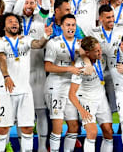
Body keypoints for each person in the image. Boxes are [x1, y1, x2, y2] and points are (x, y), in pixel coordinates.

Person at [0, 13, 51, 152]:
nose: (14, 23)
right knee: (2, 128)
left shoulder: (25, 40)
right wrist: (6, 76)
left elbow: (38, 44)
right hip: (6, 91)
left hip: (25, 91)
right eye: (10, 21)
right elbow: (1, 58)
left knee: (28, 128)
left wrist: (46, 36)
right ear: (4, 26)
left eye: (16, 22)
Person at [13, 0, 51, 152]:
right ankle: (23, 147)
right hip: (19, 75)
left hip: (38, 73)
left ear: (36, 5)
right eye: (26, 3)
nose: (28, 6)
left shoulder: (40, 21)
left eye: (32, 3)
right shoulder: (14, 23)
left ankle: (42, 147)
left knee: (41, 111)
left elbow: (47, 7)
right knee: (21, 114)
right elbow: (15, 11)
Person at [44, 14, 84, 152]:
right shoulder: (53, 43)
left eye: (73, 25)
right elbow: (48, 67)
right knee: (58, 126)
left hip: (72, 88)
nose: (71, 28)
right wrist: (69, 68)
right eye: (68, 25)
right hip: (55, 86)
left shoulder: (81, 44)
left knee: (73, 126)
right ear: (61, 27)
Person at [68, 36, 114, 152]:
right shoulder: (80, 66)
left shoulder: (101, 58)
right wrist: (82, 111)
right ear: (88, 53)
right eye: (97, 51)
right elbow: (71, 94)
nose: (100, 53)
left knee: (108, 132)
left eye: (100, 50)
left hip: (101, 98)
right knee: (92, 132)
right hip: (87, 100)